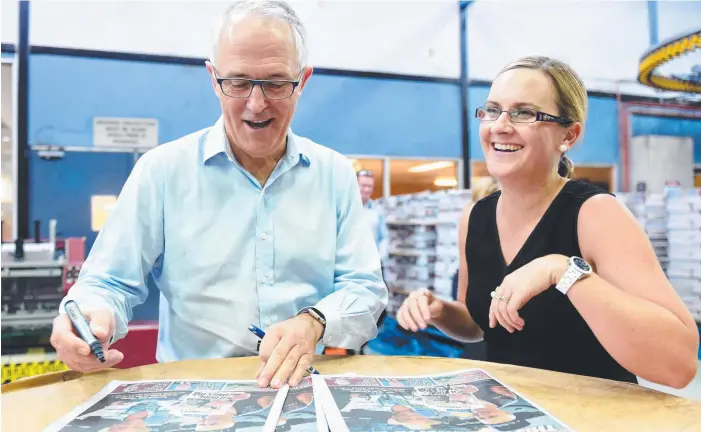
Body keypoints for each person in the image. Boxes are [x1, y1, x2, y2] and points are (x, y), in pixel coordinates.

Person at [50, 0, 388, 389]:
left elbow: (364, 287)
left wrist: (314, 321)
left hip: (302, 392)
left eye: (276, 82)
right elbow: (108, 282)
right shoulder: (163, 171)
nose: (256, 104)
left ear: (303, 80)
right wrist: (89, 317)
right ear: (213, 79)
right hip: (195, 400)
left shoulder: (334, 174)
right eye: (238, 82)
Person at [397, 55, 699, 388]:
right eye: (492, 110)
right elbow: (481, 323)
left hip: (592, 415)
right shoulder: (475, 217)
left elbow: (680, 364)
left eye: (524, 113)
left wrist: (563, 271)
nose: (500, 125)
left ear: (568, 136)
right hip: (511, 410)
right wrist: (441, 311)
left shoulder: (594, 214)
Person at [357, 169, 390, 265]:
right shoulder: (344, 208)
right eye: (363, 186)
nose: (367, 190)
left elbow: (384, 237)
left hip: (371, 266)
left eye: (370, 186)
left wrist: (379, 259)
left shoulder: (377, 211)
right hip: (347, 267)